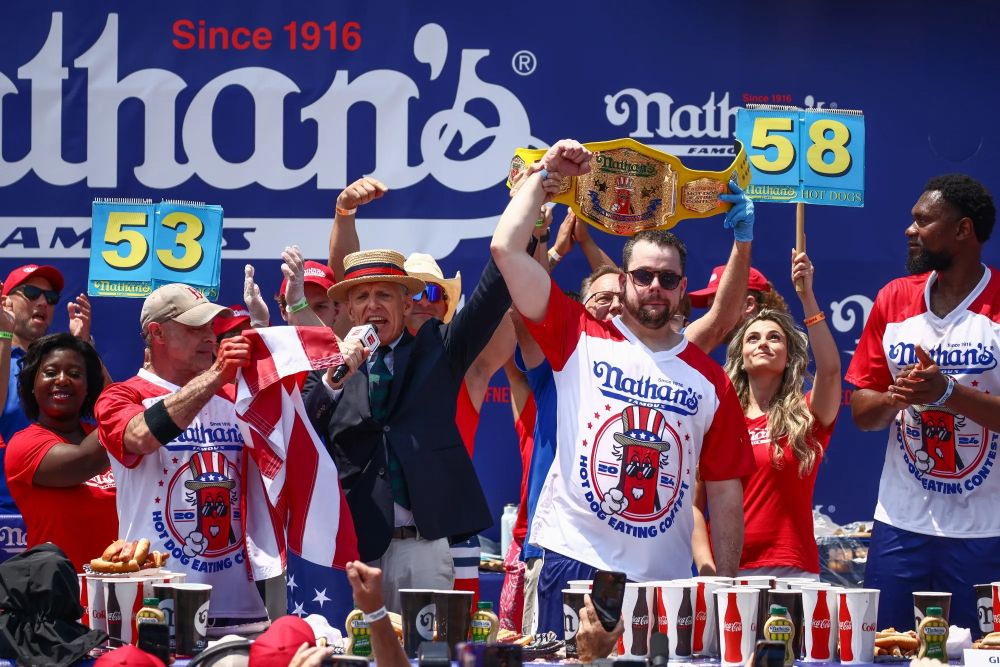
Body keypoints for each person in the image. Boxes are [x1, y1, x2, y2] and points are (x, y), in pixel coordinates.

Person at [490, 140, 753, 586]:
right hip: (572, 563)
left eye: (667, 279)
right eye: (644, 276)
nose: (655, 286)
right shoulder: (576, 333)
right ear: (624, 279)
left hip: (663, 583)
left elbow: (726, 490)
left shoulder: (710, 380)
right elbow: (506, 251)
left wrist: (725, 585)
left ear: (683, 286)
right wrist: (541, 179)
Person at [303, 246, 509, 613]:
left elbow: (491, 295)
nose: (373, 306)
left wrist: (526, 234)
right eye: (362, 297)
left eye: (384, 295)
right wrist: (336, 377)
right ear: (349, 310)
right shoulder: (325, 364)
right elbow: (301, 424)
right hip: (356, 551)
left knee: (430, 654)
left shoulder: (440, 349)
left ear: (405, 303)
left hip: (424, 548)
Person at [846, 174, 1000, 634]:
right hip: (901, 524)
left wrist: (947, 393)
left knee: (981, 654)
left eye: (923, 221)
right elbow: (862, 412)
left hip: (985, 530)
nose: (909, 230)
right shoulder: (894, 299)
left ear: (963, 230)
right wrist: (899, 396)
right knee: (891, 649)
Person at [94, 283, 268, 629]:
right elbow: (139, 437)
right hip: (155, 606)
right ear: (156, 333)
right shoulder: (121, 395)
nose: (209, 337)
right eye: (195, 328)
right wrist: (217, 376)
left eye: (211, 328)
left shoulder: (237, 397)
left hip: (239, 608)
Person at [718, 250, 840, 578]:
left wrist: (807, 297)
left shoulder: (806, 415)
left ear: (789, 356)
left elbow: (830, 371)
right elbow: (699, 505)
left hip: (794, 569)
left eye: (775, 338)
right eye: (753, 338)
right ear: (741, 357)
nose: (764, 344)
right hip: (733, 570)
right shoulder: (722, 418)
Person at [4, 333, 116, 571]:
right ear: (32, 385)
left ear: (88, 389)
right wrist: (129, 405)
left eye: (75, 374)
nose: (63, 380)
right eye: (51, 373)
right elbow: (85, 461)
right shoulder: (24, 445)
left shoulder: (102, 436)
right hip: (59, 597)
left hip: (121, 591)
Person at [0, 264, 93, 512]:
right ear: (5, 302)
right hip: (5, 511)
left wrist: (84, 348)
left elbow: (109, 418)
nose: (42, 302)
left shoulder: (64, 366)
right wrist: (3, 335)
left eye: (50, 298)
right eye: (31, 293)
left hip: (63, 508)